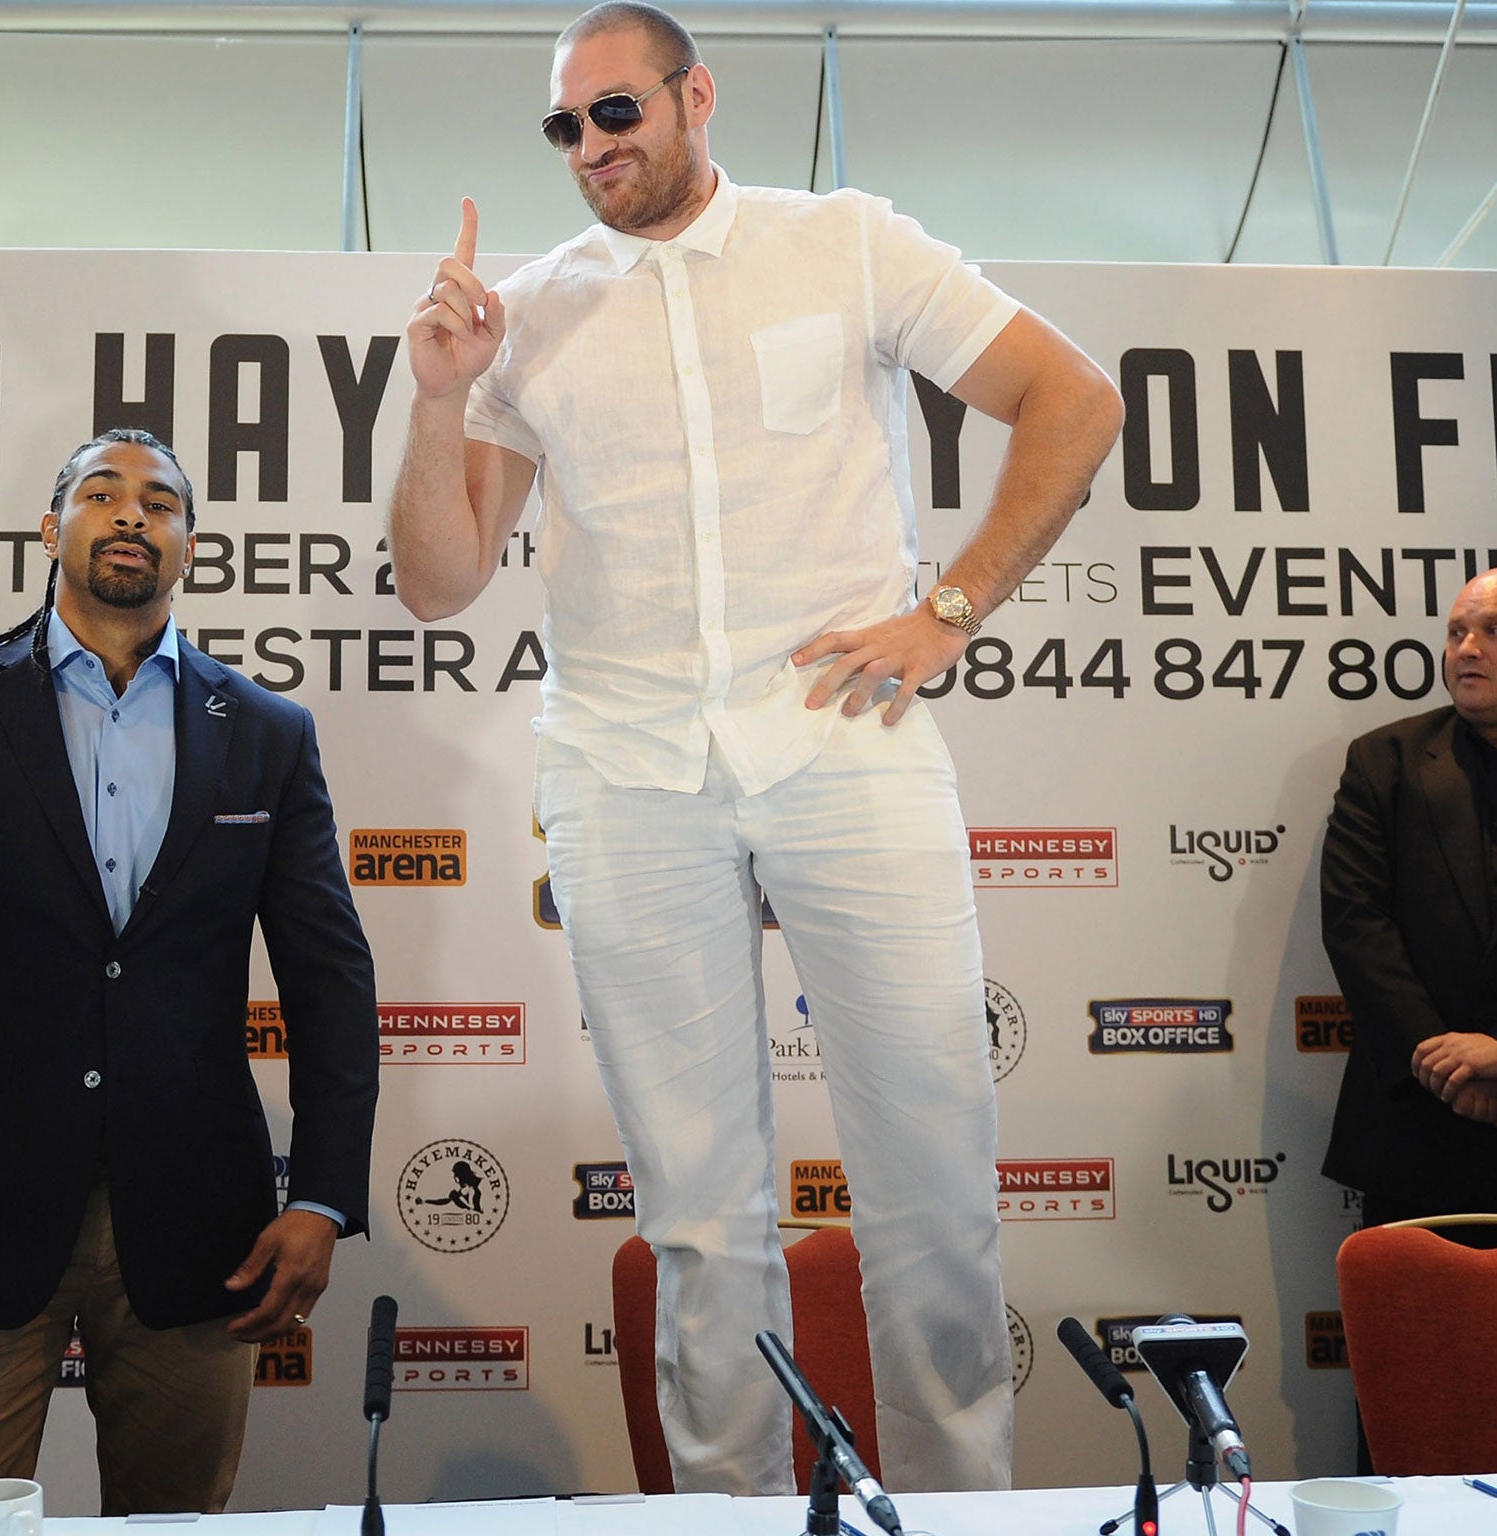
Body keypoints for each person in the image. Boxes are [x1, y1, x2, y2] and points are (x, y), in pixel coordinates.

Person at [387, 1, 1122, 1496]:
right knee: (698, 1217)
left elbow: (1074, 398)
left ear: (695, 97)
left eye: (615, 112)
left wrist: (950, 608)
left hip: (847, 745)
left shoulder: (844, 241)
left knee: (933, 1187)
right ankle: (730, 1521)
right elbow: (442, 576)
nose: (591, 145)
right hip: (624, 770)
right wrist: (442, 391)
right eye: (565, 126)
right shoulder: (532, 310)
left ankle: (959, 1519)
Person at [0, 429, 380, 1517]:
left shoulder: (266, 733)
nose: (133, 515)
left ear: (188, 546)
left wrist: (319, 1195)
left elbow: (328, 982)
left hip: (198, 1230)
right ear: (50, 528)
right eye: (102, 494)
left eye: (161, 504)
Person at [1322, 566, 1497, 1226]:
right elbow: (1356, 923)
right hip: (1415, 1137)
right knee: (1417, 1331)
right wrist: (1446, 1062)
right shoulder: (1382, 760)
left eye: (1495, 630)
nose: (1467, 649)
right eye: (1456, 632)